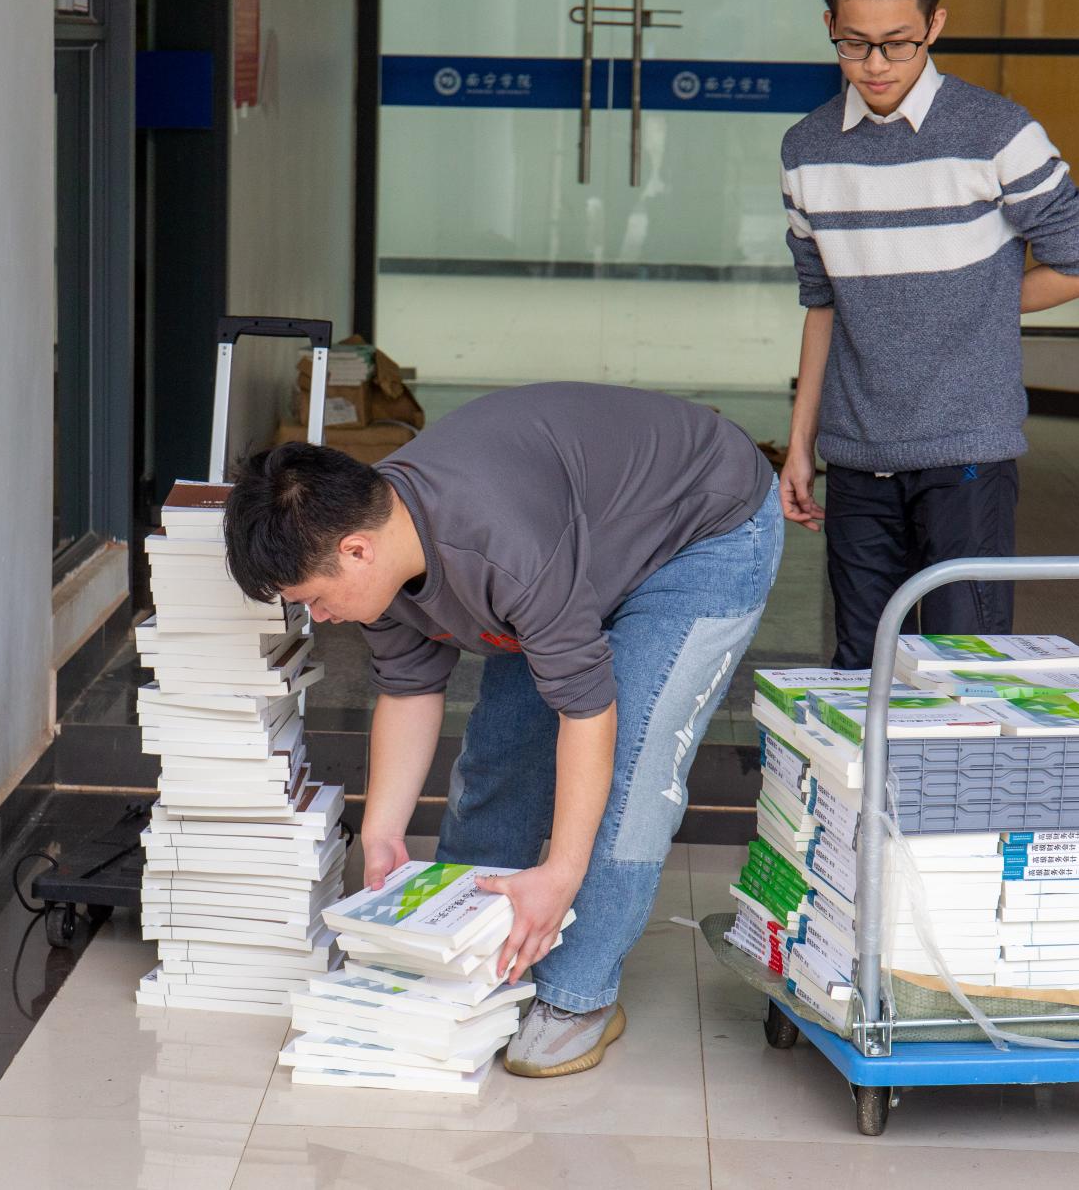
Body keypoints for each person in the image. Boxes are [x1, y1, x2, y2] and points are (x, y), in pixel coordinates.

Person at [223, 383, 784, 1077]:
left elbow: (588, 711)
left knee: (631, 768)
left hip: (701, 530)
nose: (320, 617)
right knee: (502, 748)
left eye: (313, 599)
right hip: (578, 540)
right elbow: (408, 688)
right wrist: (383, 830)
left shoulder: (499, 548)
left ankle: (578, 996)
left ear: (357, 550)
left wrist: (562, 873)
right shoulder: (380, 544)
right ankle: (467, 950)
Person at [780, 0, 1079, 666]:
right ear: (830, 28)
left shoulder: (997, 131)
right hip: (857, 453)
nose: (876, 64)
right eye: (854, 43)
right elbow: (823, 304)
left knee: (962, 666)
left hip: (966, 449)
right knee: (864, 666)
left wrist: (968, 302)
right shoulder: (806, 148)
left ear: (935, 25)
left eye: (898, 42)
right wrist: (799, 445)